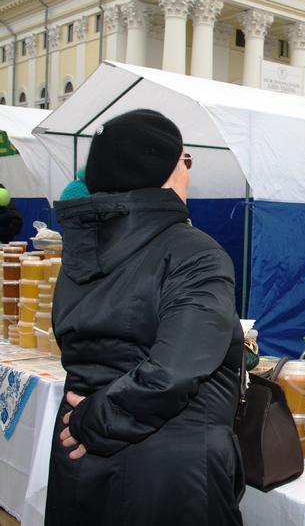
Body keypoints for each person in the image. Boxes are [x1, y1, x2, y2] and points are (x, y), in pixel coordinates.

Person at [45, 109, 244, 526]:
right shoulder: (195, 253)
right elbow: (174, 370)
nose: (189, 171)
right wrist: (95, 422)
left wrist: (89, 423)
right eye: (185, 160)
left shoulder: (81, 249)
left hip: (84, 455)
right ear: (167, 173)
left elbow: (91, 345)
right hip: (170, 474)